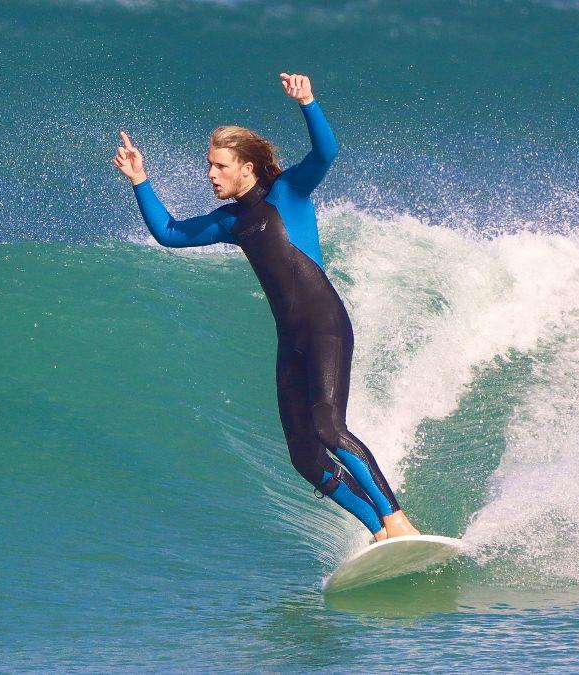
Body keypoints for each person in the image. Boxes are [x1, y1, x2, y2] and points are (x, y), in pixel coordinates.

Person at [113, 73, 419, 542]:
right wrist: (140, 180)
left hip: (324, 325)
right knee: (304, 455)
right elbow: (170, 234)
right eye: (208, 165)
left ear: (248, 167)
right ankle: (377, 530)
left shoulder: (288, 192)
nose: (210, 174)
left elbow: (326, 154)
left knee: (329, 427)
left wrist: (308, 102)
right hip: (291, 341)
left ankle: (398, 520)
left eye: (219, 166)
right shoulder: (231, 221)